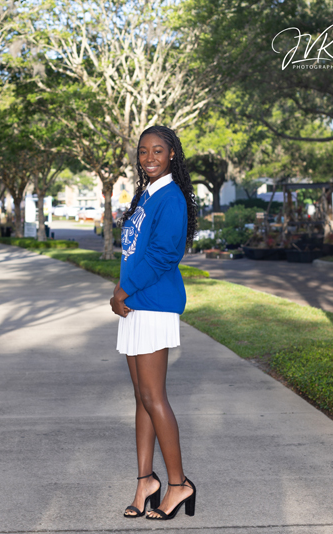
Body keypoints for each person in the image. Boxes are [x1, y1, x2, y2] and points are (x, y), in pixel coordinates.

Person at [110, 125, 198, 521]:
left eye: (158, 150)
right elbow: (135, 251)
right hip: (136, 305)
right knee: (142, 398)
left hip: (153, 305)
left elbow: (163, 255)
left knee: (154, 396)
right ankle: (146, 480)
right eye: (143, 151)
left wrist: (123, 290)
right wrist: (124, 292)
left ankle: (178, 484)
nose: (149, 158)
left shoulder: (171, 197)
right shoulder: (147, 194)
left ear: (172, 154)